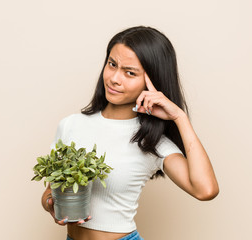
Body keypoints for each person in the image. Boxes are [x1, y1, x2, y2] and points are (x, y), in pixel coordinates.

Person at [41, 26, 219, 240]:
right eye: (112, 64)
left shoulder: (152, 142)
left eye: (130, 72)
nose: (115, 78)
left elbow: (205, 190)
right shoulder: (71, 125)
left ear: (151, 81)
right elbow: (50, 193)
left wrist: (179, 117)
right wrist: (51, 204)